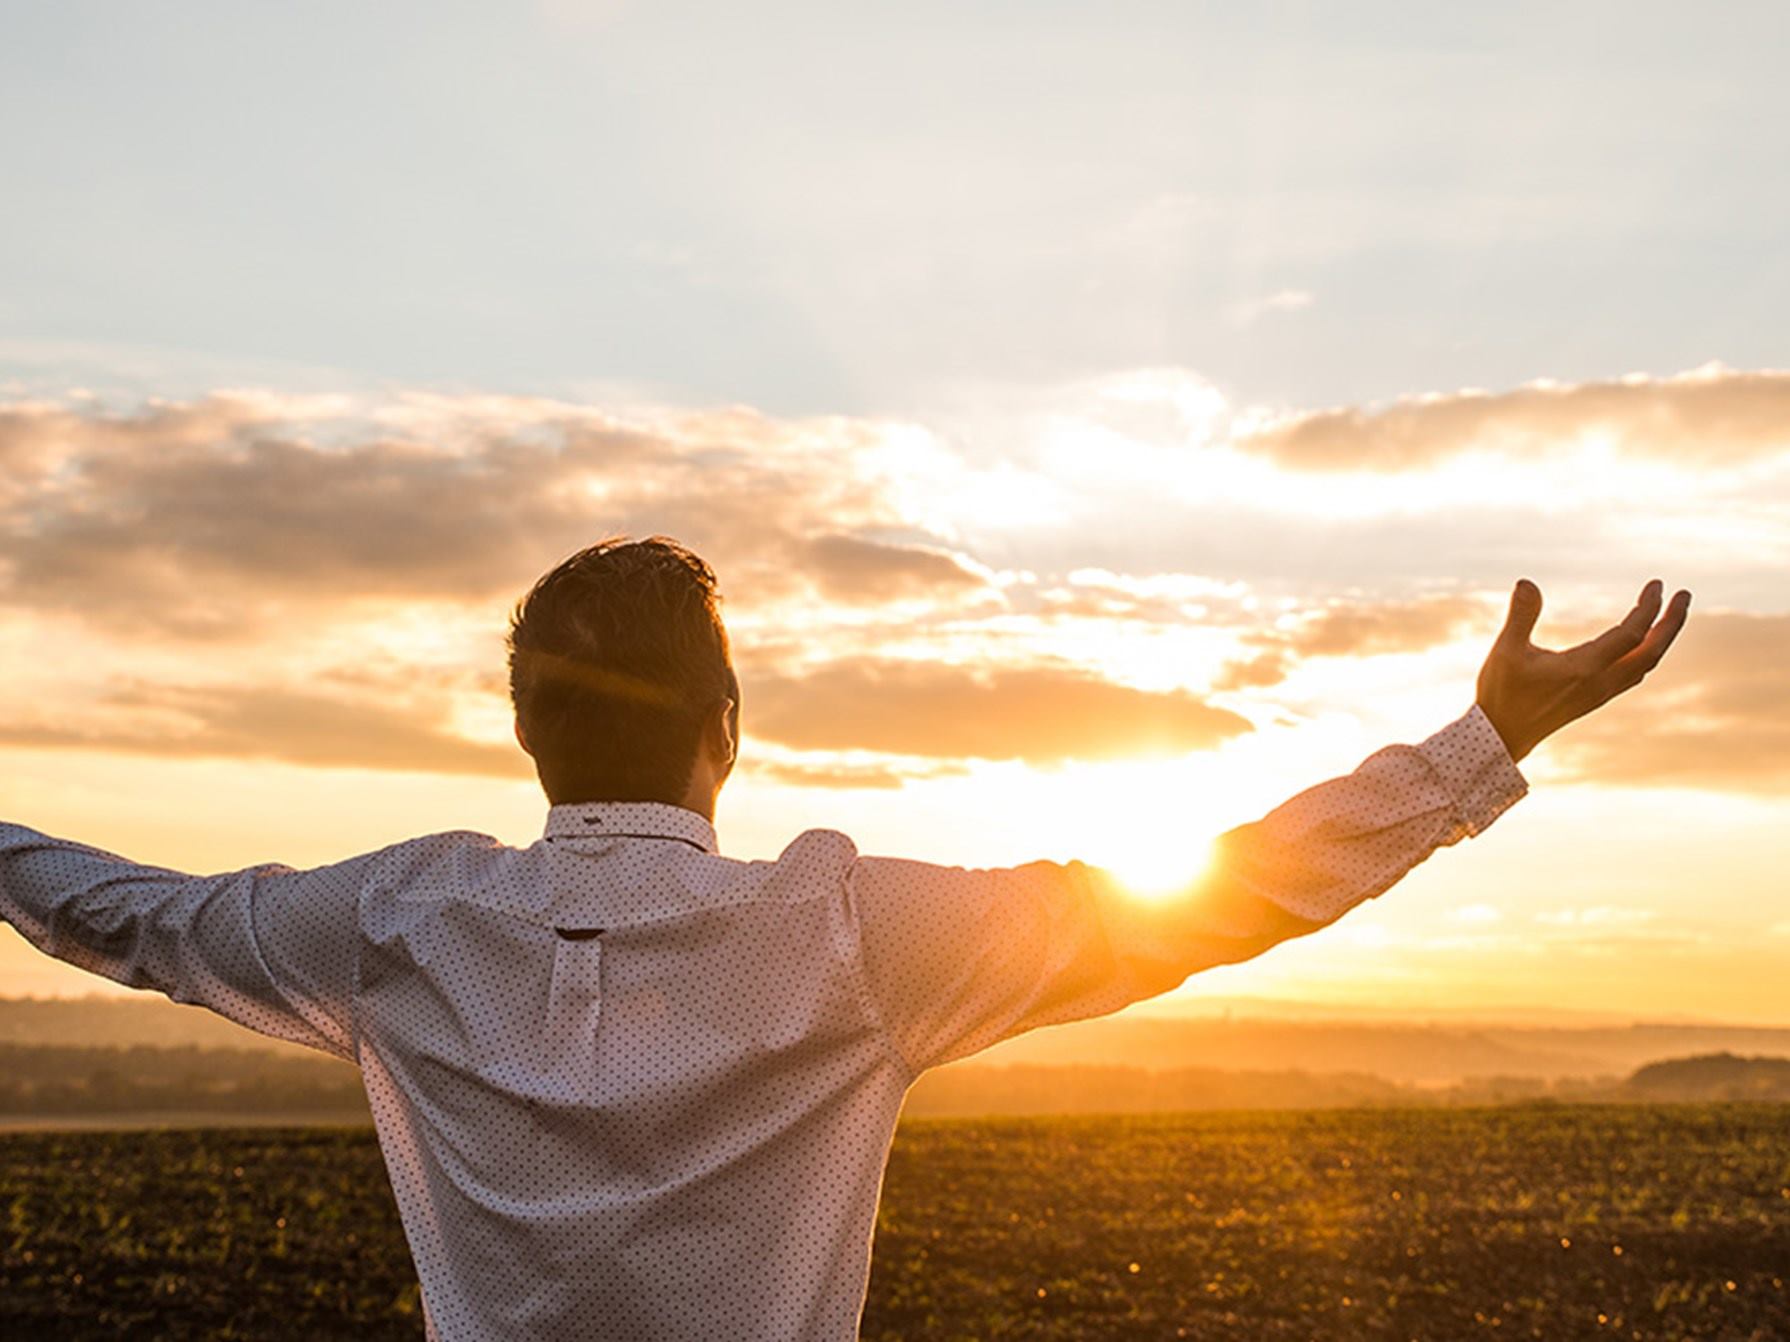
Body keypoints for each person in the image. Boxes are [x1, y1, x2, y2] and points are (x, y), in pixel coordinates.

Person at [0, 537, 1690, 1341]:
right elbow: (1214, 899)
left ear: (524, 732)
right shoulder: (846, 932)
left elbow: (126, 915)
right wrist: (1480, 746)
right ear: (723, 728)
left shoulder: (388, 923)